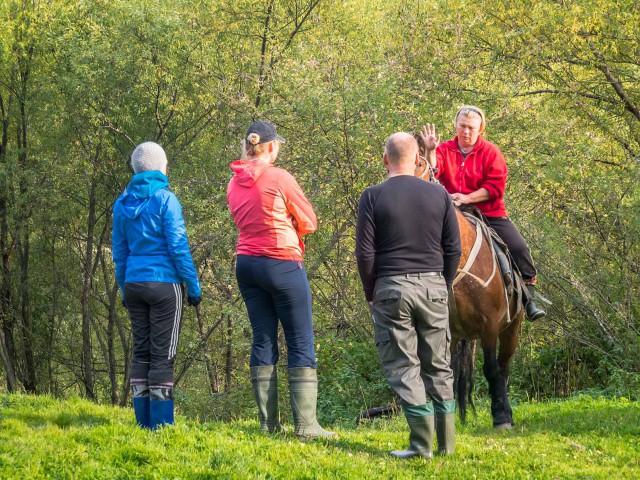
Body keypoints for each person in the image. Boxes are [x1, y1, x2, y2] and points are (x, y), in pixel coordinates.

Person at [356, 132, 461, 458]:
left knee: (404, 367)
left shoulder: (371, 196)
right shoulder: (440, 194)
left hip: (391, 289)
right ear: (418, 159)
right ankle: (447, 446)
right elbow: (453, 249)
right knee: (439, 366)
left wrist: (371, 292)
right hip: (433, 287)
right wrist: (442, 283)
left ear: (385, 159)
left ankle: (421, 446)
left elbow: (364, 254)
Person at [227, 121, 334, 439]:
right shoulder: (279, 177)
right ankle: (306, 426)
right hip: (282, 263)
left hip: (246, 264)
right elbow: (310, 221)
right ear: (271, 147)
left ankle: (268, 424)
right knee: (300, 339)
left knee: (263, 338)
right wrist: (290, 224)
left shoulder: (233, 183)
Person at [420, 106, 546, 321]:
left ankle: (529, 297)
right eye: (462, 126)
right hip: (451, 213)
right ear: (455, 125)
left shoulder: (491, 152)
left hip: (488, 213)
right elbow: (433, 172)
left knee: (518, 247)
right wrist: (430, 150)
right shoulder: (444, 149)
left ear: (481, 129)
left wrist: (466, 198)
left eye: (471, 127)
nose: (466, 131)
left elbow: (495, 186)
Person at [112, 142, 202, 430]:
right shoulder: (166, 200)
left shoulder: (121, 203)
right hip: (165, 286)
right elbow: (178, 248)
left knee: (141, 353)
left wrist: (125, 290)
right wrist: (194, 287)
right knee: (163, 356)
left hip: (134, 284)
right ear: (162, 167)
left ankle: (143, 423)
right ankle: (162, 427)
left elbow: (119, 253)